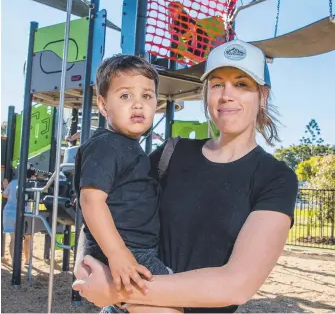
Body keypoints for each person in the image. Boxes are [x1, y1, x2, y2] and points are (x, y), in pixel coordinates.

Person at [73, 40, 298, 313]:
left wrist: (118, 289)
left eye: (241, 84)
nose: (227, 95)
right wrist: (85, 260)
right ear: (206, 93)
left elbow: (236, 284)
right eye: (217, 84)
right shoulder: (172, 152)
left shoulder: (276, 178)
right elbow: (102, 202)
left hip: (132, 295)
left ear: (262, 95)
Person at [74, 55, 181, 313]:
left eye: (147, 96)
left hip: (134, 247)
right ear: (102, 105)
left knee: (131, 304)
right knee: (171, 305)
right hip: (124, 248)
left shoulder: (129, 147)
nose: (137, 105)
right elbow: (91, 200)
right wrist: (117, 253)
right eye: (125, 96)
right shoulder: (105, 146)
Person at [2, 166, 36, 265]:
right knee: (28, 238)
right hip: (25, 214)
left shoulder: (12, 183)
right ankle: (27, 261)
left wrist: (5, 187)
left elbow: (5, 195)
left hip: (9, 212)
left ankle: (15, 264)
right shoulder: (31, 184)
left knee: (13, 239)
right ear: (32, 175)